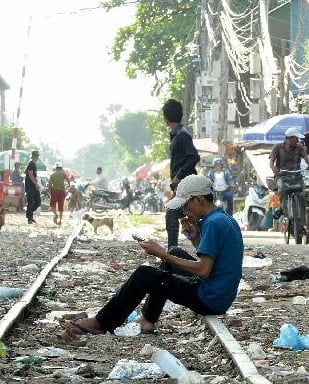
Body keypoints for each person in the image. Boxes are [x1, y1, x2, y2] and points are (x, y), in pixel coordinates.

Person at [60, 175, 244, 338]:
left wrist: (161, 253)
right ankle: (148, 319)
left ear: (199, 200)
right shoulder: (222, 218)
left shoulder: (213, 224)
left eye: (185, 205)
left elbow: (203, 269)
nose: (185, 212)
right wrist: (193, 235)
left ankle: (101, 323)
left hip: (210, 298)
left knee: (145, 275)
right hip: (220, 293)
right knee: (174, 254)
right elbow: (210, 259)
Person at [163, 98, 200, 249]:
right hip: (184, 183)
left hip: (185, 183)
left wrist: (179, 175)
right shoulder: (177, 134)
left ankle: (171, 252)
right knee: (187, 218)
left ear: (166, 117)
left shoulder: (181, 135)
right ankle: (198, 248)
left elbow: (193, 156)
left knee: (172, 214)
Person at [269, 126, 309, 213]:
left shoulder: (299, 147)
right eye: (296, 138)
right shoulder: (277, 147)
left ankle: (303, 215)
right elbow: (271, 160)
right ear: (290, 138)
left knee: (303, 193)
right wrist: (273, 168)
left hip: (297, 176)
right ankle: (281, 208)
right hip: (282, 176)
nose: (298, 140)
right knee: (282, 189)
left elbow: (306, 157)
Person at [24, 150, 41, 224]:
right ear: (36, 157)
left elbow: (26, 172)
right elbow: (30, 174)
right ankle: (29, 218)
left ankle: (29, 214)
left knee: (38, 201)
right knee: (31, 202)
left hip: (33, 185)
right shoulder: (31, 163)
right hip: (30, 186)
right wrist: (35, 183)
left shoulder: (31, 163)